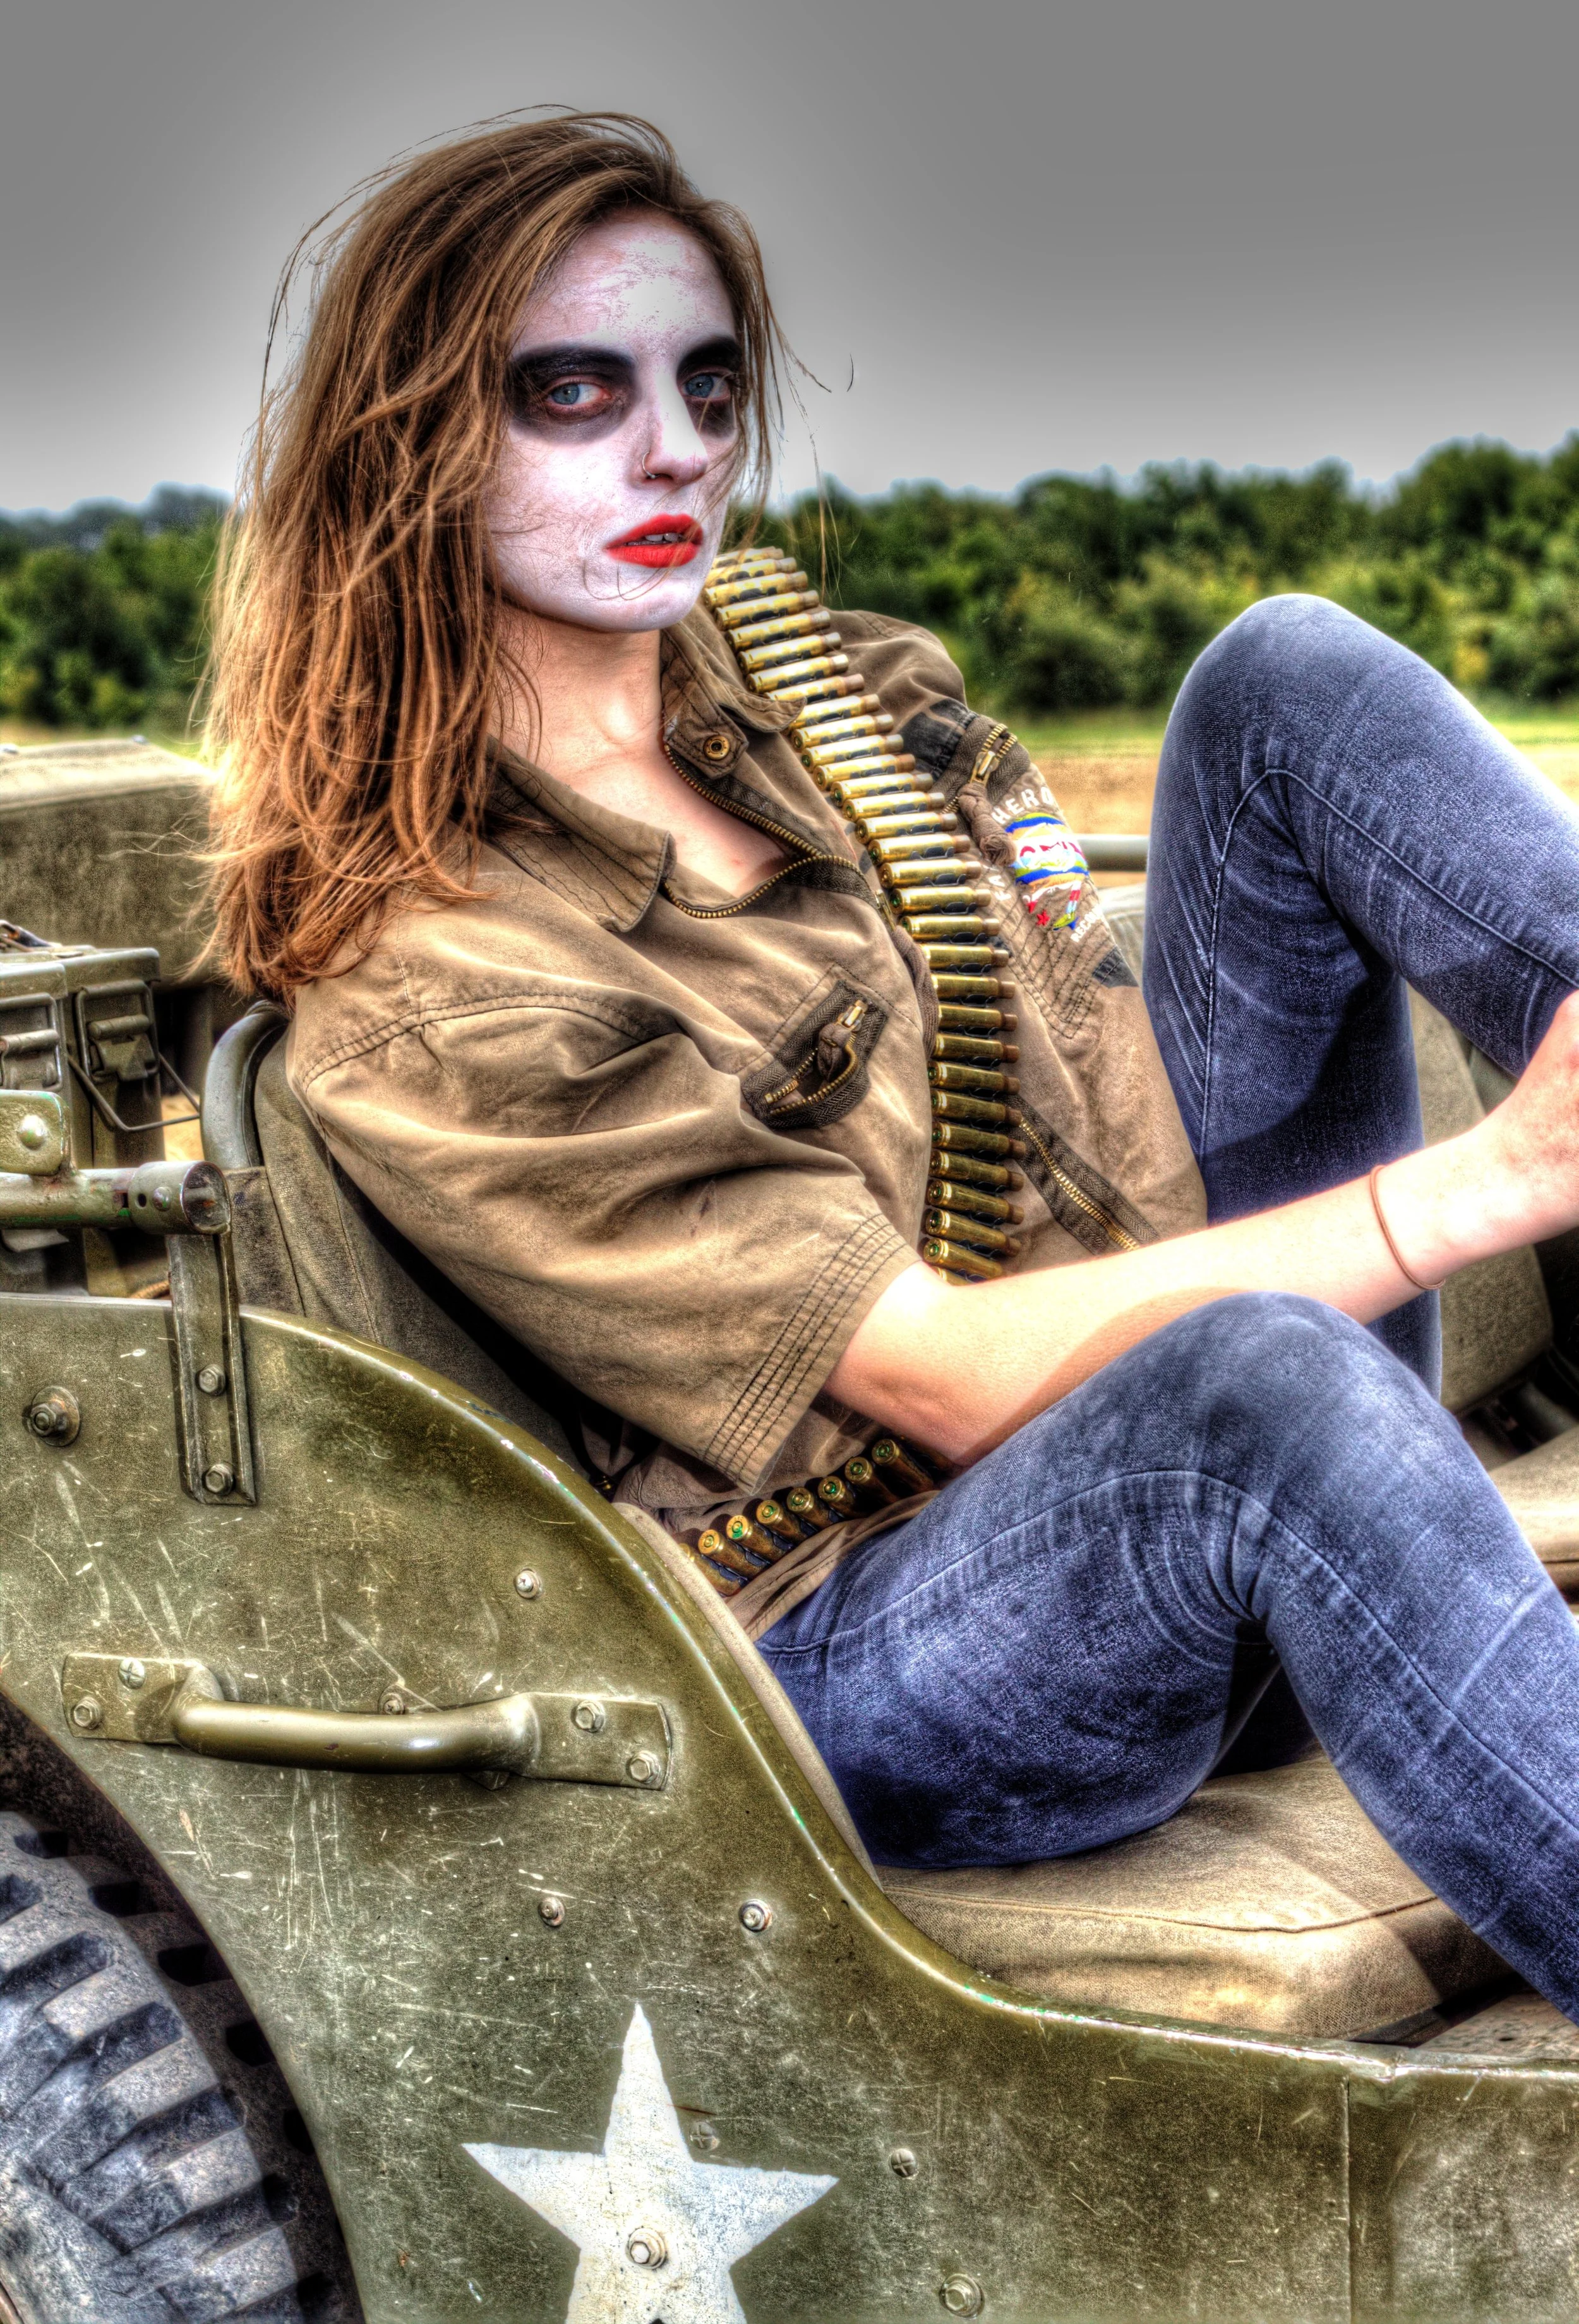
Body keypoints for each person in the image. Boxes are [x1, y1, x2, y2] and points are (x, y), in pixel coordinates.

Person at [209, 113, 1579, 2021]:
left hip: (1181, 1409)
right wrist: (1495, 1179)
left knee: (1282, 685)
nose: (673, 442)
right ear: (413, 439)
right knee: (1256, 1388)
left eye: (703, 381)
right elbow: (937, 1384)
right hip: (901, 1635)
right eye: (570, 392)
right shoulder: (437, 989)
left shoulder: (831, 689)